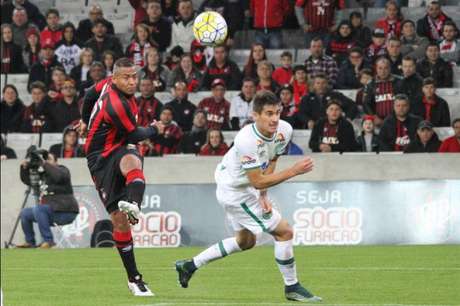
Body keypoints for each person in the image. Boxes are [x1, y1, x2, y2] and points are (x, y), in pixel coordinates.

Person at [175, 90, 322, 303]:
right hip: (234, 192)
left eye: (277, 113)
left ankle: (189, 265)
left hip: (246, 187)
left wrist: (263, 195)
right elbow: (257, 180)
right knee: (285, 232)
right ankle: (292, 287)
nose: (274, 119)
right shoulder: (246, 139)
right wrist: (294, 171)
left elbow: (271, 161)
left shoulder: (285, 129)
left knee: (245, 242)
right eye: (269, 114)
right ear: (255, 115)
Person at [82, 58, 165, 296]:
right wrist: (155, 129)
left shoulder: (105, 85)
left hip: (120, 147)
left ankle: (134, 205)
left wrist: (84, 120)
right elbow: (136, 134)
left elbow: (88, 95)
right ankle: (133, 278)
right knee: (119, 221)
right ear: (115, 78)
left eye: (134, 76)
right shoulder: (116, 103)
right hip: (99, 158)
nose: (131, 81)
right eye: (126, 77)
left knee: (131, 160)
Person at [17, 151, 79, 248]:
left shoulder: (63, 170)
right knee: (25, 213)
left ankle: (48, 241)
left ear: (56, 162)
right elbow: (28, 180)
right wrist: (24, 168)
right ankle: (30, 242)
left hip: (66, 212)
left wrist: (43, 163)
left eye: (49, 159)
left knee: (39, 208)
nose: (45, 161)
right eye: (45, 159)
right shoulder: (43, 175)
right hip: (49, 213)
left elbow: (58, 177)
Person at [363, 57, 401, 127]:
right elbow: (366, 104)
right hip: (378, 122)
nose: (383, 71)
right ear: (376, 69)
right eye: (380, 68)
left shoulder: (399, 82)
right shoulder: (371, 84)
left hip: (398, 120)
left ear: (390, 69)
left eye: (385, 68)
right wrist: (374, 117)